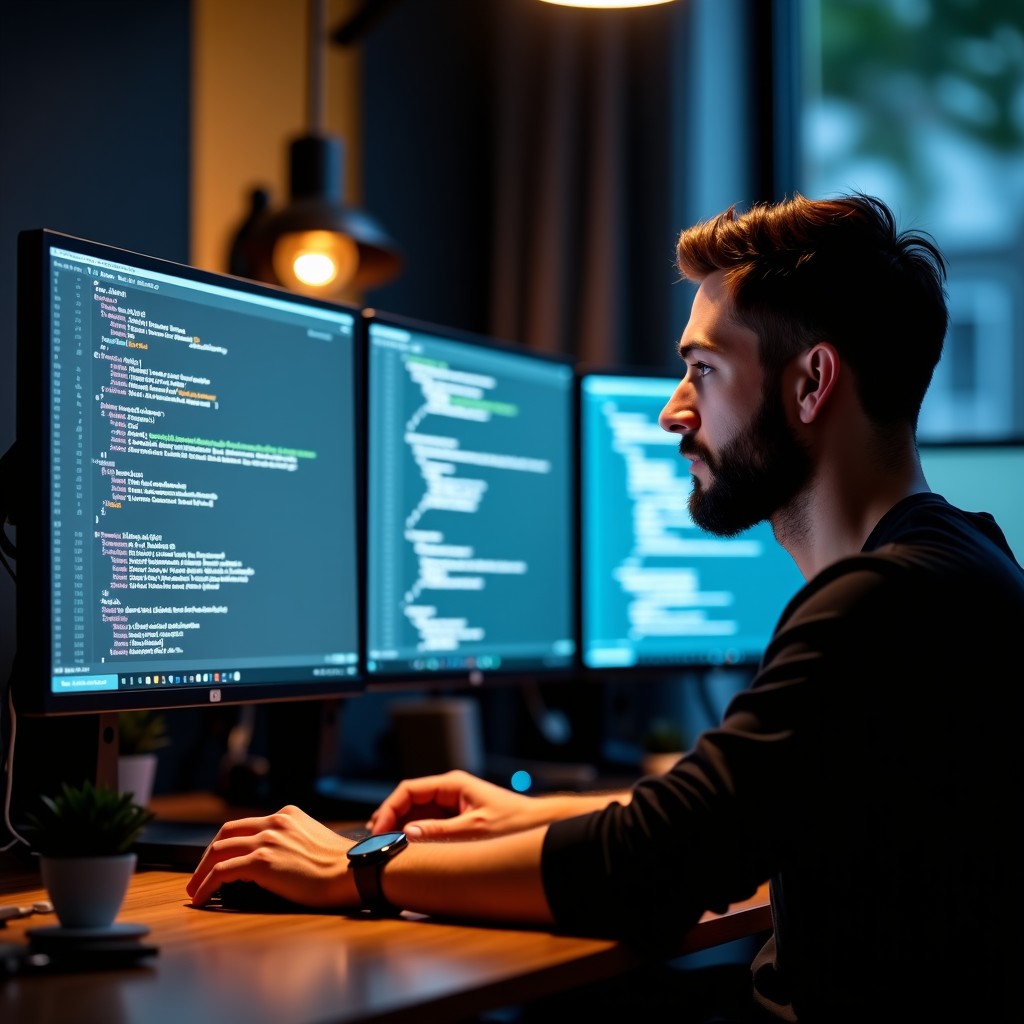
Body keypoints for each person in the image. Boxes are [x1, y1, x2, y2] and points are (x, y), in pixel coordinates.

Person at [187, 193, 1023, 1022]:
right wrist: (529, 821)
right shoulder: (964, 557)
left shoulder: (879, 604)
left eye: (703, 370)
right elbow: (733, 816)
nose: (672, 410)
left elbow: (656, 863)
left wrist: (356, 868)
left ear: (811, 383)